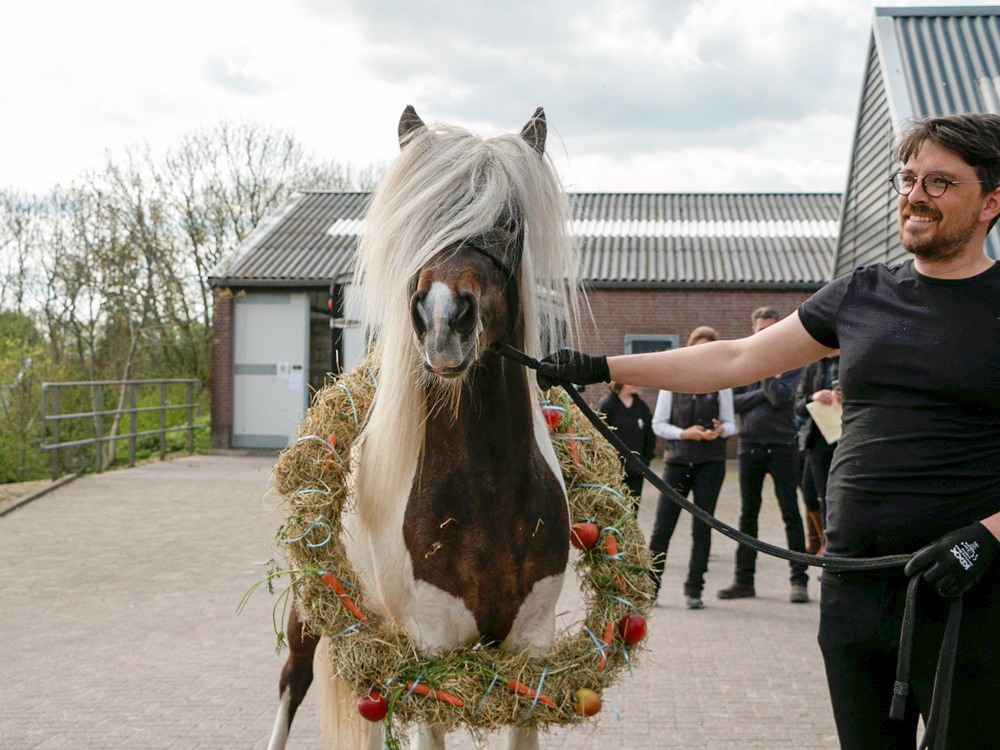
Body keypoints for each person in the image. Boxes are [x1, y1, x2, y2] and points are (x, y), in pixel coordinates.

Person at [537, 113, 1000, 749]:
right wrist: (600, 366)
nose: (914, 195)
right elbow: (731, 359)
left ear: (991, 202)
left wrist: (986, 539)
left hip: (971, 591)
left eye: (940, 183)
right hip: (855, 587)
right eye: (909, 177)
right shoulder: (860, 295)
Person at [715, 307, 809, 604]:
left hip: (783, 447)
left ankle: (799, 581)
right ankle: (744, 581)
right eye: (761, 329)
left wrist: (767, 373)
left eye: (772, 328)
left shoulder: (793, 363)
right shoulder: (743, 364)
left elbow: (783, 397)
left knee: (791, 513)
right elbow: (732, 403)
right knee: (748, 515)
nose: (766, 334)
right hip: (750, 447)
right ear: (753, 330)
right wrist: (767, 389)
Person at [647, 326, 736, 610]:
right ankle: (651, 588)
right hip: (678, 462)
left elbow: (731, 423)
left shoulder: (722, 382)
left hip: (711, 463)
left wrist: (720, 431)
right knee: (663, 527)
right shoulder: (672, 381)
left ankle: (694, 589)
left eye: (709, 348)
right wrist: (684, 433)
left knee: (703, 527)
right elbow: (658, 424)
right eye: (698, 347)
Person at [795, 352, 841, 554]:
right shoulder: (813, 367)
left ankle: (829, 548)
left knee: (830, 495)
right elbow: (798, 405)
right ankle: (819, 542)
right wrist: (813, 397)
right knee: (810, 492)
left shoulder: (851, 358)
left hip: (844, 438)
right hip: (817, 438)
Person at [596, 380, 655, 512]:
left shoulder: (641, 406)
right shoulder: (607, 405)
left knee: (631, 512)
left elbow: (650, 436)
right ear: (621, 383)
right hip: (613, 472)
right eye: (631, 381)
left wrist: (644, 461)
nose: (636, 383)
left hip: (636, 472)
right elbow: (598, 436)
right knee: (611, 511)